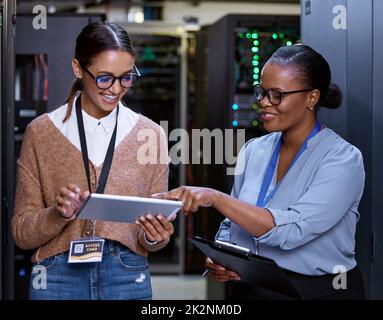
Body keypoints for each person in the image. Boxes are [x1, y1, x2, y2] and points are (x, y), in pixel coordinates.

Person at [154, 45, 366, 300]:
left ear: (311, 98)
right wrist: (222, 255)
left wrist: (215, 197)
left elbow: (292, 231)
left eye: (276, 95)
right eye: (262, 92)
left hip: (317, 290)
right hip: (252, 287)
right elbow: (233, 223)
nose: (264, 103)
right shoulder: (254, 150)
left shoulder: (342, 159)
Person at [12, 21, 174, 300]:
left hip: (127, 274)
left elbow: (152, 238)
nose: (116, 88)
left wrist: (155, 236)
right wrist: (58, 213)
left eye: (126, 77)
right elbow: (22, 233)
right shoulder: (41, 132)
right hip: (56, 276)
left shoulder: (151, 134)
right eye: (104, 78)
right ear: (78, 68)